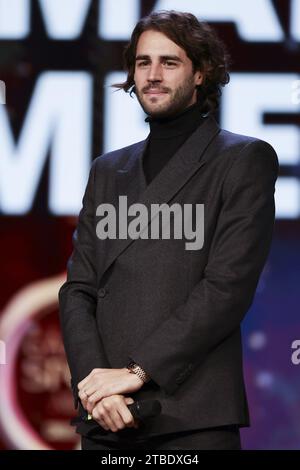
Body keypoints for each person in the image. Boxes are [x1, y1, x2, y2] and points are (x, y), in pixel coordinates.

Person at [58, 10, 279, 450]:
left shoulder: (242, 159)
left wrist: (136, 373)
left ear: (201, 73)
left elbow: (226, 289)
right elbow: (78, 289)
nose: (153, 75)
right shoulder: (107, 170)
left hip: (189, 418)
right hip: (106, 418)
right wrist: (95, 385)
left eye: (169, 62)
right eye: (143, 63)